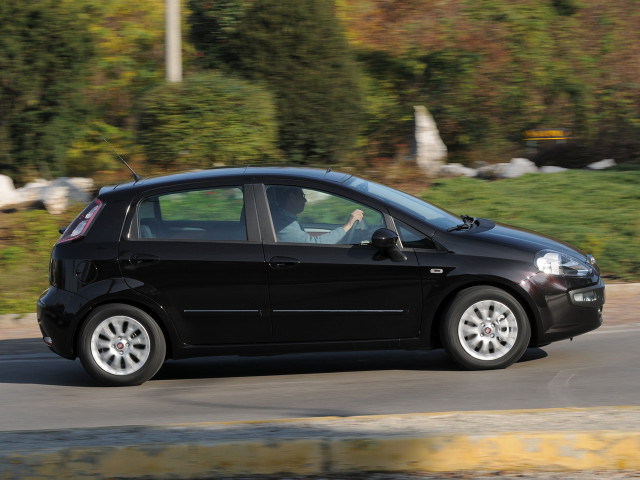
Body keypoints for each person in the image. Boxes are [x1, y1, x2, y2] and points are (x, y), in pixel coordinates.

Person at [269, 186, 363, 244]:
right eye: (302, 196)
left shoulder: (285, 219)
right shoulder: (283, 225)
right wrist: (348, 225)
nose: (305, 200)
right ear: (291, 197)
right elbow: (313, 244)